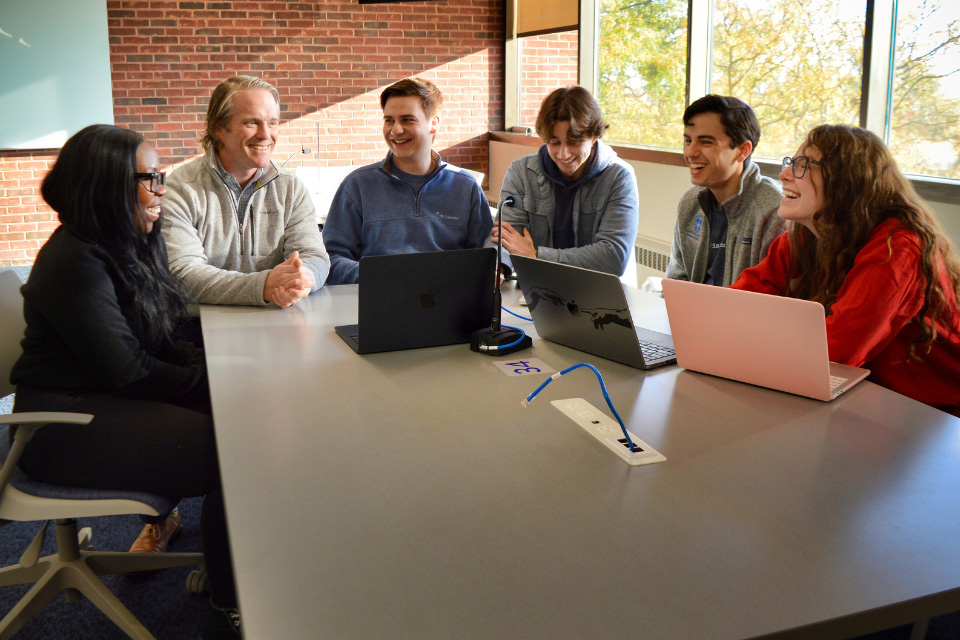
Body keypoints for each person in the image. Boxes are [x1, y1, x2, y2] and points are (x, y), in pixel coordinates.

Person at [9, 124, 241, 636]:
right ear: (109, 184)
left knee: (241, 414)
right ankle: (234, 597)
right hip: (58, 424)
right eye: (151, 178)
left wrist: (220, 371)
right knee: (233, 442)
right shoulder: (75, 260)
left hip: (103, 401)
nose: (162, 189)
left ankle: (234, 568)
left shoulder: (128, 241)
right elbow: (130, 369)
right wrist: (214, 383)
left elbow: (161, 332)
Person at [731, 124, 960, 417]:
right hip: (866, 398)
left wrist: (744, 342)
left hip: (932, 416)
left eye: (803, 166)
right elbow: (736, 304)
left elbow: (836, 350)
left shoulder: (899, 246)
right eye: (791, 163)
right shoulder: (806, 235)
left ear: (847, 181)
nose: (784, 174)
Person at [161, 75, 328, 307]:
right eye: (252, 122)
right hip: (198, 333)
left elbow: (314, 256)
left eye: (272, 122)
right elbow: (183, 273)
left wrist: (302, 280)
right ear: (219, 128)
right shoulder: (181, 189)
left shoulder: (291, 189)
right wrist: (263, 286)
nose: (265, 134)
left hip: (278, 321)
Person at [322, 78, 493, 285]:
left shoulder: (465, 187)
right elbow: (330, 260)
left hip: (447, 305)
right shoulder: (357, 185)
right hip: (377, 303)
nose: (395, 130)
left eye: (407, 120)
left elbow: (485, 257)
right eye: (389, 120)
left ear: (434, 124)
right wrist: (384, 277)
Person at [493, 86, 639, 277]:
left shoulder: (619, 177)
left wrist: (536, 255)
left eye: (574, 142)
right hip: (538, 287)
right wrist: (501, 268)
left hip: (598, 293)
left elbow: (613, 257)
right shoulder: (521, 172)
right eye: (554, 142)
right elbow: (506, 237)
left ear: (594, 136)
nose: (563, 153)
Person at [666, 95, 786, 286]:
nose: (690, 153)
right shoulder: (690, 202)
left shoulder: (774, 210)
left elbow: (775, 299)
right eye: (688, 141)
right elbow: (676, 279)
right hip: (691, 312)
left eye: (706, 142)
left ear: (742, 151)